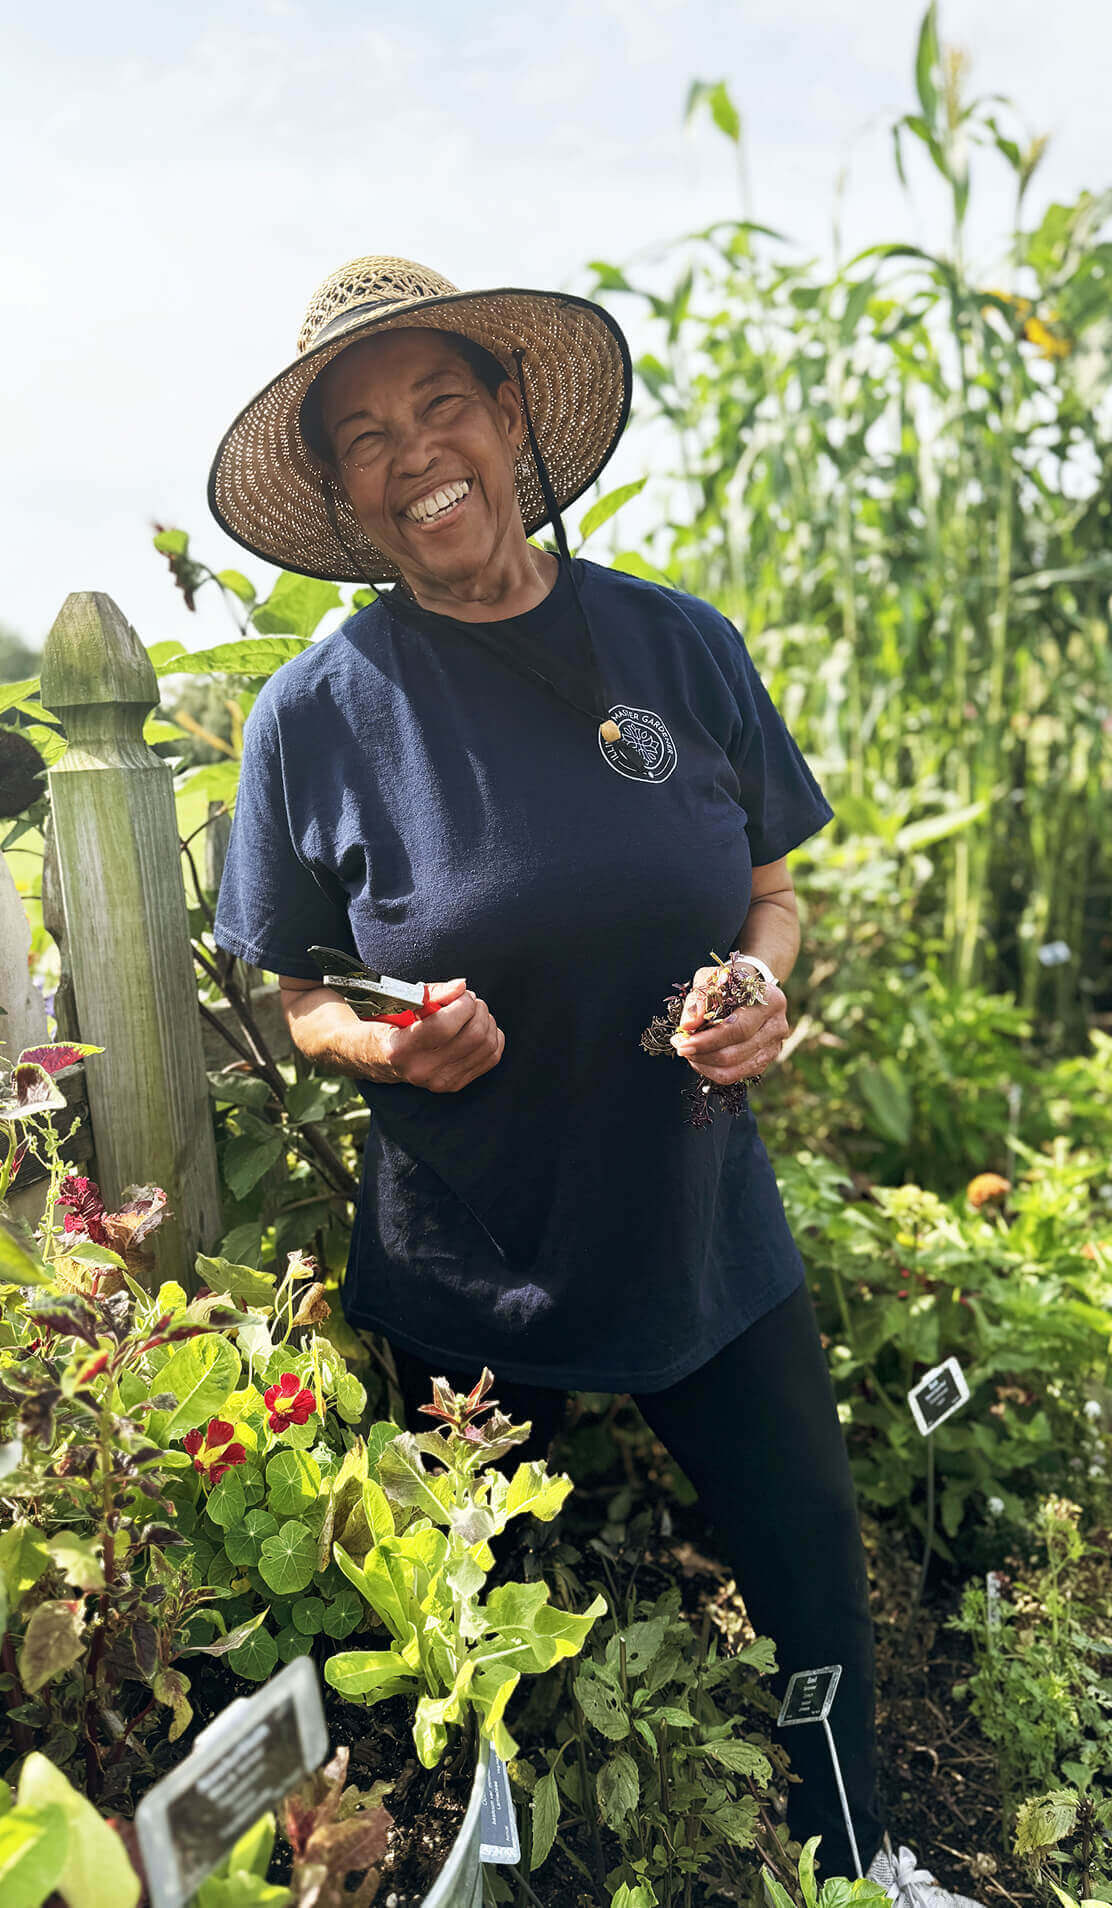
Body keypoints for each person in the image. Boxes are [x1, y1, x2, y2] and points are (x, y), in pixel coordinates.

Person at [208, 253, 980, 1906]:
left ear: (510, 419)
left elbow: (774, 884)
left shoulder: (676, 647)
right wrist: (388, 1038)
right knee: (488, 1681)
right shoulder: (320, 713)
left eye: (440, 406)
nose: (414, 455)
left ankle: (867, 1863)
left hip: (707, 1228)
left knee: (810, 1579)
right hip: (470, 1276)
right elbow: (294, 1001)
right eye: (363, 437)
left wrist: (766, 977)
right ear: (343, 496)